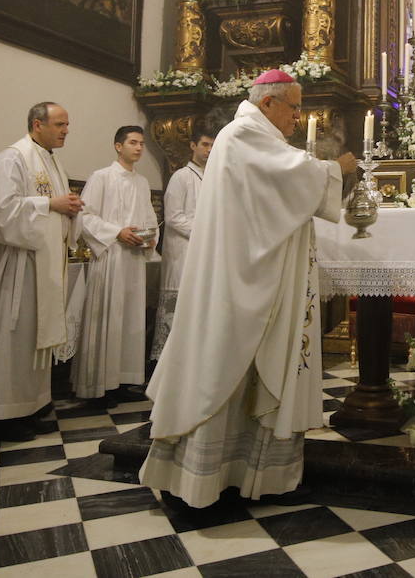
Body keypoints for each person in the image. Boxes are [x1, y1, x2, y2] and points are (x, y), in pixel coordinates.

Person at [141, 70, 356, 506]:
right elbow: (291, 181)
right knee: (224, 358)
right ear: (268, 102)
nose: (298, 116)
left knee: (246, 361)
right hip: (237, 276)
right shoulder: (242, 134)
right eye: (293, 106)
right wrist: (337, 169)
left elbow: (281, 191)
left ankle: (244, 470)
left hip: (254, 269)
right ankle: (203, 475)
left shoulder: (256, 135)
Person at [0, 102, 83, 442]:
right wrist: (51, 204)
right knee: (11, 340)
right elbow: (2, 212)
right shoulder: (13, 158)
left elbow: (54, 209)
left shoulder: (51, 161)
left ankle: (32, 406)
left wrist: (70, 209)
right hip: (19, 267)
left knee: (35, 338)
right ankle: (1, 416)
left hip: (44, 265)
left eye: (67, 124)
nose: (66, 130)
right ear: (37, 124)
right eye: (60, 124)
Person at [73, 126, 160, 406]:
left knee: (130, 322)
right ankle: (98, 385)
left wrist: (150, 238)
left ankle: (123, 379)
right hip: (110, 258)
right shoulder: (102, 177)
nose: (138, 148)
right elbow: (85, 217)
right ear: (117, 146)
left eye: (141, 144)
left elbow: (149, 218)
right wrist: (117, 232)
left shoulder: (142, 182)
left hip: (133, 261)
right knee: (107, 319)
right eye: (132, 142)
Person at [151, 122, 216, 361]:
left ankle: (192, 359)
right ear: (193, 146)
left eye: (213, 146)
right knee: (176, 310)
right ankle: (166, 362)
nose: (209, 150)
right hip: (183, 253)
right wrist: (206, 231)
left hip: (204, 252)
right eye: (205, 145)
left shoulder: (213, 178)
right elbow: (174, 217)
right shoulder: (181, 176)